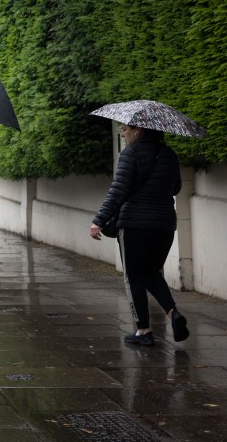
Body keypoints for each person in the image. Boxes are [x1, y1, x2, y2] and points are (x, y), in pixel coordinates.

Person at [90, 124, 189, 346]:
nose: (123, 133)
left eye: (126, 129)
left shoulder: (131, 153)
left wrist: (99, 219)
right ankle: (174, 314)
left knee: (133, 277)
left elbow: (119, 189)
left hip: (134, 224)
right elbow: (176, 188)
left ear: (139, 131)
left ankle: (143, 331)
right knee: (152, 273)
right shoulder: (169, 154)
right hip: (164, 224)